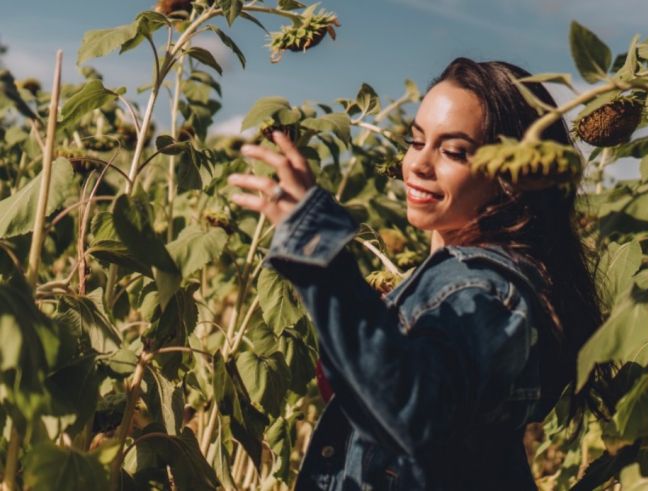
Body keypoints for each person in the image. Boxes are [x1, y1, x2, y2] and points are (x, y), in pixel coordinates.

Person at [227, 57, 604, 491]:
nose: (419, 164)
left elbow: (410, 406)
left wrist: (320, 254)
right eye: (416, 140)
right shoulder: (458, 280)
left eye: (454, 151)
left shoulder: (484, 290)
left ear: (512, 177)